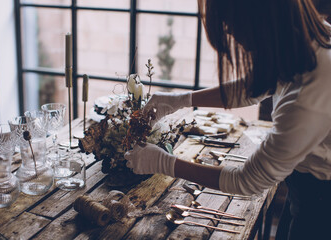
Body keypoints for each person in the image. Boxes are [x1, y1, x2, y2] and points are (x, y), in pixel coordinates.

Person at [124, 0, 331, 239]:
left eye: (229, 24)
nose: (230, 32)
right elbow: (255, 86)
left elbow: (249, 180)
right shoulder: (303, 41)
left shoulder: (309, 94)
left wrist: (165, 163)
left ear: (259, 21)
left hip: (321, 203)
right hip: (306, 187)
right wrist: (180, 99)